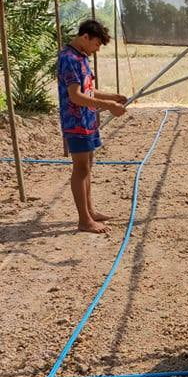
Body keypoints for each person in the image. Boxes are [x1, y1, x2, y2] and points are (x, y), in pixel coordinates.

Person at [57, 19, 127, 234]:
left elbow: (88, 90)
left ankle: (90, 211)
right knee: (81, 168)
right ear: (85, 37)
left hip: (87, 120)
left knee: (87, 166)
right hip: (75, 122)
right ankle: (84, 220)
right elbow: (76, 96)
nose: (97, 49)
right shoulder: (68, 59)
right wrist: (108, 106)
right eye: (96, 44)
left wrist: (112, 97)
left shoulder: (81, 57)